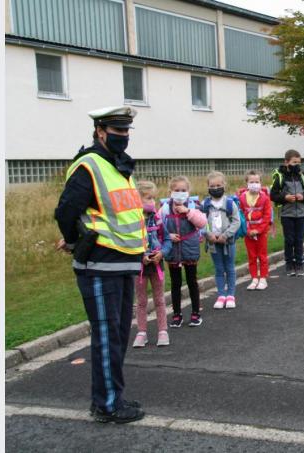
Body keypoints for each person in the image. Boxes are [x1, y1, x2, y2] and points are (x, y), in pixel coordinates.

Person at [54, 105, 146, 423]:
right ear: (100, 132)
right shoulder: (89, 165)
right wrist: (73, 240)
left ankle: (111, 397)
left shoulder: (118, 165)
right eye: (118, 130)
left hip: (123, 263)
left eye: (126, 130)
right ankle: (107, 405)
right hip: (100, 263)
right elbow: (66, 211)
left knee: (117, 336)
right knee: (107, 337)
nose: (124, 136)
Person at [163, 176, 208, 326]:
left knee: (191, 281)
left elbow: (202, 223)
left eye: (183, 190)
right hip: (173, 250)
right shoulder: (165, 208)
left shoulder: (193, 205)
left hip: (190, 249)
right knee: (175, 283)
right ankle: (177, 314)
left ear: (188, 191)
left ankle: (196, 313)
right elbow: (159, 228)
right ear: (170, 191)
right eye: (177, 190)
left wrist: (188, 211)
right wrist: (168, 236)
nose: (180, 193)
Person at [132, 181, 171, 348]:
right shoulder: (132, 221)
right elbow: (129, 244)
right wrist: (140, 256)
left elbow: (167, 239)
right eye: (148, 198)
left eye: (153, 198)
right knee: (141, 301)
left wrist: (162, 253)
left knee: (159, 299)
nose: (152, 202)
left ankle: (163, 330)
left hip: (156, 265)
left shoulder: (157, 219)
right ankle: (141, 332)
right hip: (139, 267)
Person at [203, 171, 241, 308]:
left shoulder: (230, 203)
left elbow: (236, 222)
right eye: (212, 186)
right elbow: (201, 222)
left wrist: (225, 235)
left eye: (218, 185)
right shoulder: (205, 204)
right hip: (213, 243)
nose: (216, 188)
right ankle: (221, 295)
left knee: (230, 268)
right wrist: (209, 235)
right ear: (208, 187)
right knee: (219, 269)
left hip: (228, 242)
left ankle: (230, 295)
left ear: (224, 185)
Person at [271, 149, 304, 276]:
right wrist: (285, 197)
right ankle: (289, 264)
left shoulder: (302, 176)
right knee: (289, 240)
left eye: (299, 163)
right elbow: (273, 195)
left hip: (301, 214)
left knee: (299, 240)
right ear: (286, 162)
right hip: (287, 214)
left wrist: (303, 197)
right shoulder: (280, 177)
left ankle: (299, 264)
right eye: (294, 162)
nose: (297, 165)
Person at [238, 170, 272, 291]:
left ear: (260, 182)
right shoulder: (242, 198)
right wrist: (247, 230)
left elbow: (267, 216)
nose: (254, 184)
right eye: (251, 182)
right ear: (246, 183)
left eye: (257, 182)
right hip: (248, 233)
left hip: (261, 233)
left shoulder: (265, 198)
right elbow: (240, 216)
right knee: (251, 256)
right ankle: (254, 278)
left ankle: (263, 278)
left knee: (262, 256)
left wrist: (258, 230)